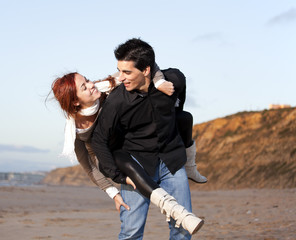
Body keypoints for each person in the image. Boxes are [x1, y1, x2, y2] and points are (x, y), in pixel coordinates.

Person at [92, 38, 203, 239]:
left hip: (171, 161)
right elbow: (99, 140)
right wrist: (117, 176)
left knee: (182, 229)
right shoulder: (117, 101)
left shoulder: (174, 80)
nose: (121, 78)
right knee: (131, 232)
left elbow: (178, 108)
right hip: (137, 165)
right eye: (119, 70)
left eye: (127, 72)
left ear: (146, 70)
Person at [50, 66, 176, 212]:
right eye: (84, 87)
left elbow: (142, 67)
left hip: (130, 143)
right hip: (109, 160)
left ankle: (187, 168)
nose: (92, 85)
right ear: (75, 102)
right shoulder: (76, 129)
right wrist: (114, 193)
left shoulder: (107, 86)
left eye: (87, 80)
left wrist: (160, 82)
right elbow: (89, 167)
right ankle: (169, 206)